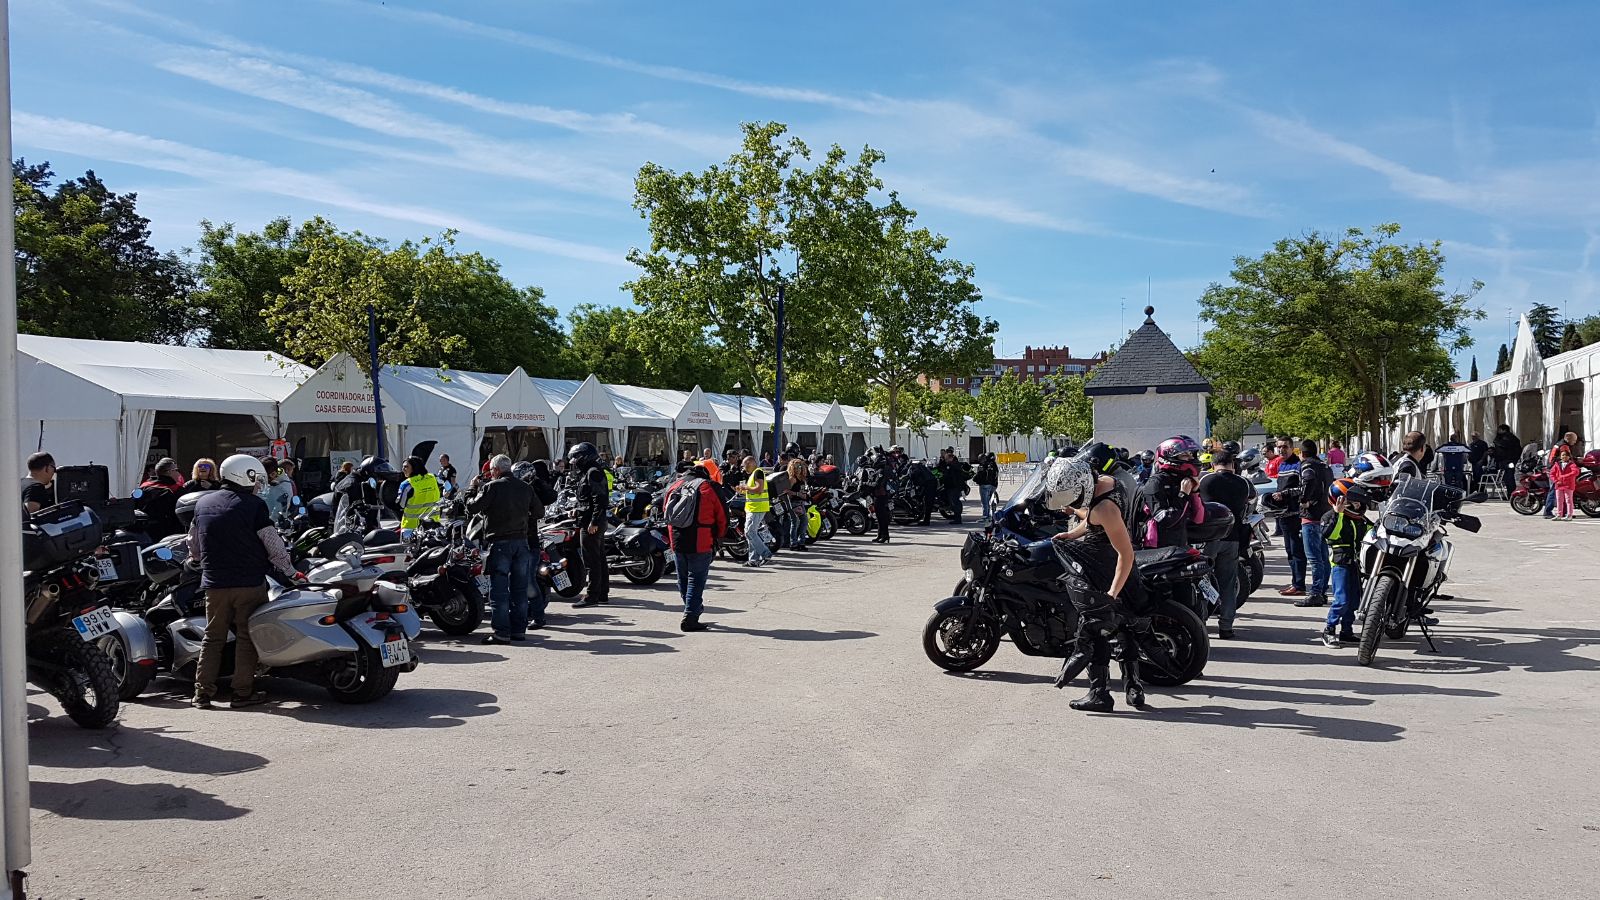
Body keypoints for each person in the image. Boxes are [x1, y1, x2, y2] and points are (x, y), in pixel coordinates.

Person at [189, 454, 297, 709]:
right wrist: (291, 572)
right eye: (255, 478)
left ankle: (202, 694)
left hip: (214, 583)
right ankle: (242, 692)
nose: (258, 484)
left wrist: (198, 561)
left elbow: (193, 542)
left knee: (212, 637)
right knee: (246, 636)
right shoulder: (254, 505)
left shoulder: (203, 503)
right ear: (245, 476)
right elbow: (272, 544)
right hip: (249, 583)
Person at [1047, 456, 1145, 712]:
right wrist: (1072, 533)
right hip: (1119, 570)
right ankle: (1134, 687)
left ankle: (1100, 694)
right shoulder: (1108, 482)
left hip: (1106, 571)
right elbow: (1093, 521)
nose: (1075, 503)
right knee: (1124, 626)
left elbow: (1125, 553)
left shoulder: (1105, 509)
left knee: (1095, 630)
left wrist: (1111, 593)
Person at [467, 455, 538, 644]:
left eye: (491, 471)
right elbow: (539, 511)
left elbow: (472, 507)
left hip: (500, 543)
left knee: (499, 591)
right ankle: (518, 631)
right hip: (521, 542)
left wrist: (472, 488)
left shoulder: (492, 487)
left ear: (496, 470)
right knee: (519, 590)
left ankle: (501, 633)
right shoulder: (525, 487)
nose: (490, 474)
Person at [664, 464, 729, 632]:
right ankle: (691, 616)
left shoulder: (675, 485)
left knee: (683, 579)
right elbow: (722, 515)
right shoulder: (709, 487)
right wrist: (719, 536)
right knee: (696, 579)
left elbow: (666, 511)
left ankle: (693, 608)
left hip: (677, 538)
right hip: (701, 538)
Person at [1199, 449, 1251, 639]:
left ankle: (1200, 622)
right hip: (1233, 537)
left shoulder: (1206, 480)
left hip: (1209, 538)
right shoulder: (1243, 483)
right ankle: (1226, 626)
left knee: (1201, 581)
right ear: (1232, 464)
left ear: (1213, 465)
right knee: (1228, 583)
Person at [1319, 479, 1373, 646]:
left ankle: (1346, 631)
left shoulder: (1361, 519)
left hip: (1356, 565)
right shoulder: (1330, 517)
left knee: (1354, 601)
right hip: (1340, 564)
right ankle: (1329, 629)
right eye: (1353, 501)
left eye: (1359, 501)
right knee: (1341, 600)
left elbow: (1373, 532)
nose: (1358, 505)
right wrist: (1339, 514)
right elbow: (1331, 535)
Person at [1288, 439, 1333, 608]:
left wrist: (1304, 500)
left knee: (1314, 558)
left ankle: (1315, 593)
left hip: (1311, 516)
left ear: (1302, 453)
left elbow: (1308, 480)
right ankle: (1322, 591)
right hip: (1325, 515)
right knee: (1323, 557)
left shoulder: (1307, 466)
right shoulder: (1325, 466)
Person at [568, 442, 611, 608]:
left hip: (591, 523)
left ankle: (592, 596)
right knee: (599, 559)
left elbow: (600, 499)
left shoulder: (593, 472)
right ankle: (602, 593)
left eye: (576, 458)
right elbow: (588, 500)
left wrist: (594, 521)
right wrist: (577, 510)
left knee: (591, 561)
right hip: (590, 520)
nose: (574, 462)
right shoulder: (589, 472)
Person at [1142, 436, 1201, 549]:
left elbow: (1198, 518)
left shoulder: (1183, 481)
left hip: (1181, 544)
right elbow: (1164, 520)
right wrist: (1183, 495)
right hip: (1159, 548)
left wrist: (1194, 492)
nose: (1190, 458)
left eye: (1191, 454)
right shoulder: (1156, 483)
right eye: (1185, 454)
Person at [1272, 444, 1306, 597]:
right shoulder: (1282, 465)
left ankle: (1299, 585)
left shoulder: (1298, 465)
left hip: (1294, 514)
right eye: (1278, 447)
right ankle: (1295, 583)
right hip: (1283, 514)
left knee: (1297, 551)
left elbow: (1302, 489)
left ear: (1292, 448)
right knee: (1289, 551)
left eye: (1285, 446)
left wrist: (1284, 494)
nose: (1281, 449)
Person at [734, 455, 772, 566]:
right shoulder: (754, 474)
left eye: (744, 465)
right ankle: (753, 560)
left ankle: (766, 553)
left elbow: (759, 489)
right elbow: (754, 491)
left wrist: (745, 487)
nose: (743, 468)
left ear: (749, 463)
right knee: (752, 533)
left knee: (749, 532)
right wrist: (742, 491)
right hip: (754, 508)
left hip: (757, 508)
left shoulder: (758, 473)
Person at [136, 458, 186, 539]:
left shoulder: (143, 487)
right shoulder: (176, 490)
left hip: (144, 532)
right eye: (176, 470)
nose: (179, 473)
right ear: (169, 472)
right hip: (170, 534)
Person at [396, 455, 444, 531]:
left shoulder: (407, 484)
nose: (403, 469)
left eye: (406, 467)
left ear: (414, 467)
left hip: (412, 527)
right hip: (433, 525)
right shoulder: (433, 477)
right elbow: (447, 486)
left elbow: (401, 505)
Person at [1542, 432, 1581, 519]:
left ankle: (1564, 512)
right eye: (1574, 440)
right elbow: (1567, 457)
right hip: (1557, 471)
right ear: (1568, 439)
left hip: (1552, 467)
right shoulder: (1564, 446)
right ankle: (1548, 512)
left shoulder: (1558, 443)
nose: (1575, 442)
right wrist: (1577, 462)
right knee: (1554, 492)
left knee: (1558, 493)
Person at [935, 449, 970, 525]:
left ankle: (958, 519)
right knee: (954, 502)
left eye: (947, 459)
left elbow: (950, 476)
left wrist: (943, 478)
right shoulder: (954, 464)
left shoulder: (953, 465)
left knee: (955, 502)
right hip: (953, 486)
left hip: (954, 487)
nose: (946, 460)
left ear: (950, 458)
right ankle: (956, 518)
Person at [783, 458, 810, 550]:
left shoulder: (802, 479)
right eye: (797, 467)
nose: (799, 468)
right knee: (795, 522)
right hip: (793, 503)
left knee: (804, 522)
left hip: (800, 502)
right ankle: (793, 543)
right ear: (792, 468)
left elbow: (804, 493)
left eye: (800, 466)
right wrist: (798, 494)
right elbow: (786, 491)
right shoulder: (793, 479)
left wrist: (802, 495)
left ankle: (801, 542)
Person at [1550, 445, 1579, 521]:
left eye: (1566, 455)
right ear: (1560, 456)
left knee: (1568, 500)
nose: (1564, 457)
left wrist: (1564, 477)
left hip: (1568, 485)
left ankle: (1569, 515)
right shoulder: (1557, 464)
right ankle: (1559, 514)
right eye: (1563, 455)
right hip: (1559, 485)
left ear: (1569, 456)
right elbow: (1552, 474)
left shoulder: (1572, 464)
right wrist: (1556, 480)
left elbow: (1575, 472)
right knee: (1559, 500)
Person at [1491, 424, 1521, 498]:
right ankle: (1509, 492)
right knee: (1506, 478)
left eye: (1499, 430)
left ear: (1504, 430)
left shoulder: (1508, 437)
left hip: (1508, 460)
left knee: (1509, 477)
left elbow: (1505, 445)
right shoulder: (1503, 437)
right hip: (1504, 460)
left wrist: (1496, 441)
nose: (1498, 431)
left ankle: (1511, 493)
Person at [908, 459, 937, 526]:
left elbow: (912, 476)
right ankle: (925, 519)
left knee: (928, 503)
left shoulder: (916, 468)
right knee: (927, 502)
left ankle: (926, 521)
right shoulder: (922, 467)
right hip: (931, 484)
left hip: (929, 485)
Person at [973, 452, 1000, 521]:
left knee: (985, 501)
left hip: (984, 485)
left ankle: (985, 515)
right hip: (993, 485)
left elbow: (979, 475)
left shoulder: (983, 466)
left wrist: (975, 479)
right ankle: (991, 515)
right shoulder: (994, 465)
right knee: (990, 501)